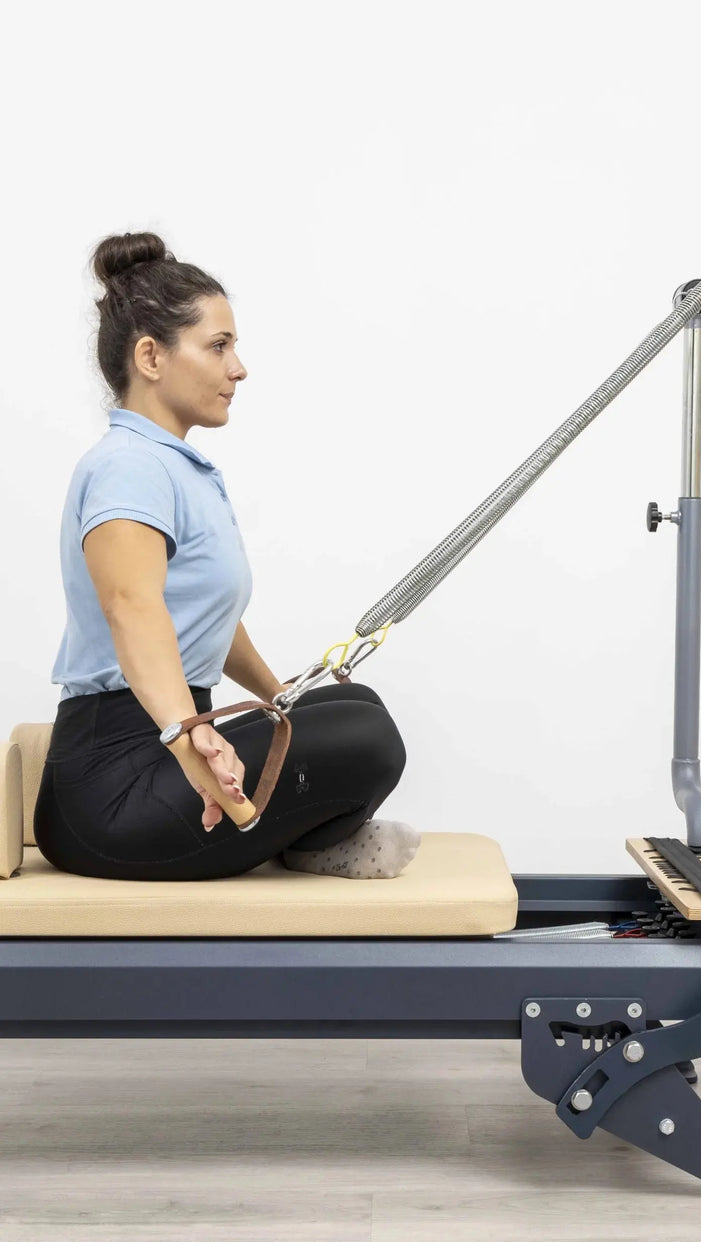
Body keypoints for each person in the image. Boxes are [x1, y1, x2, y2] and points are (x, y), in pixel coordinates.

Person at [33, 231, 419, 882]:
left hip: (163, 736)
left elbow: (204, 619)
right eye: (219, 346)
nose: (238, 367)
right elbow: (132, 606)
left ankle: (303, 842)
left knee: (357, 710)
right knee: (370, 743)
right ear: (151, 357)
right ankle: (308, 844)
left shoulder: (173, 466)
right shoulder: (129, 467)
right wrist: (185, 733)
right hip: (112, 789)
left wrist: (279, 700)